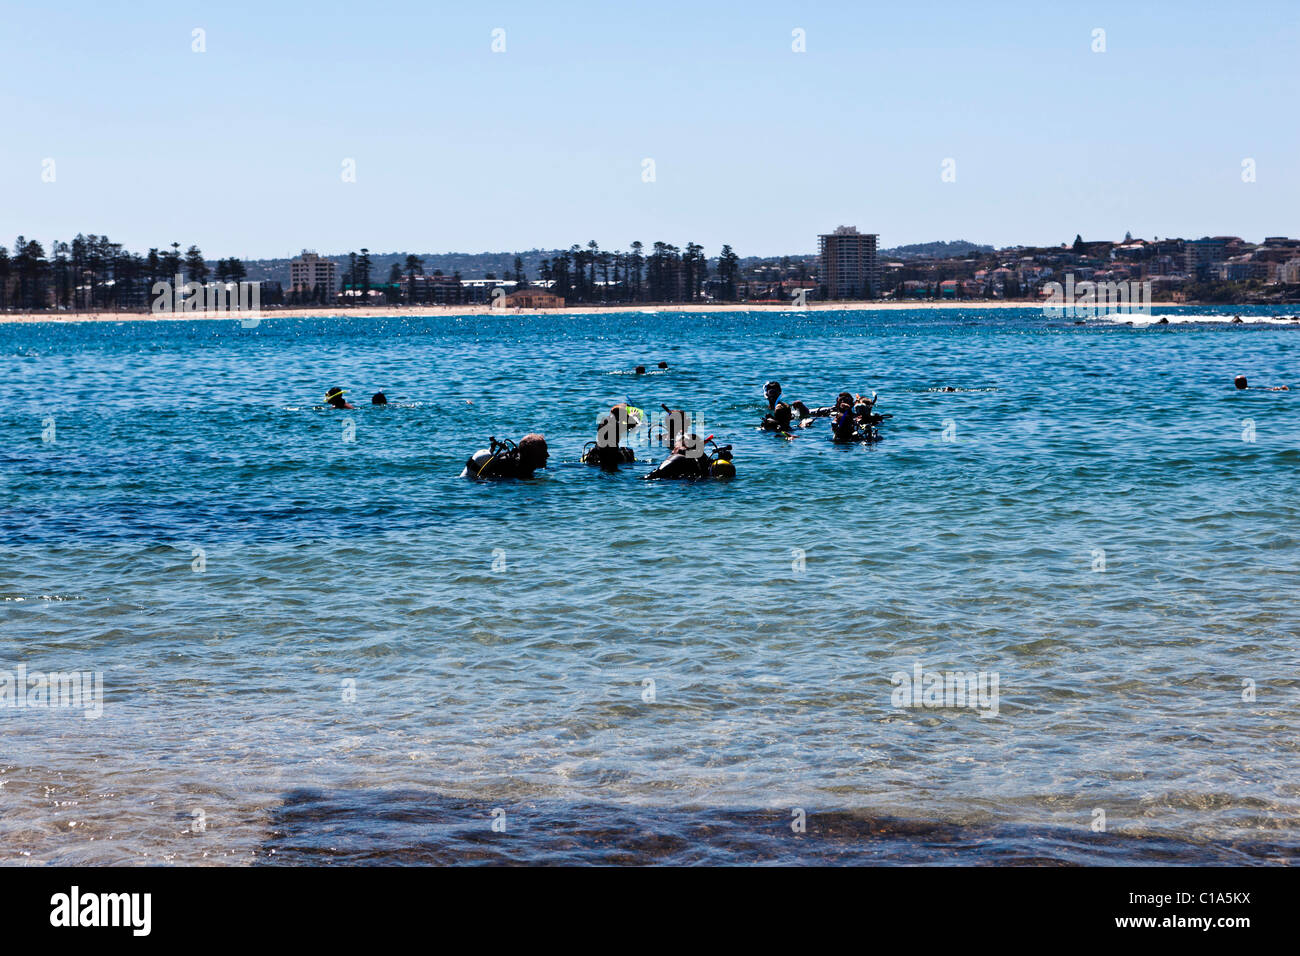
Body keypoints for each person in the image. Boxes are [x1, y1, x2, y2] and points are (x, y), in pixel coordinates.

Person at [465, 433, 549, 479]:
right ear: (531, 455)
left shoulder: (524, 464)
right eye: (543, 452)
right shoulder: (513, 470)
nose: (547, 455)